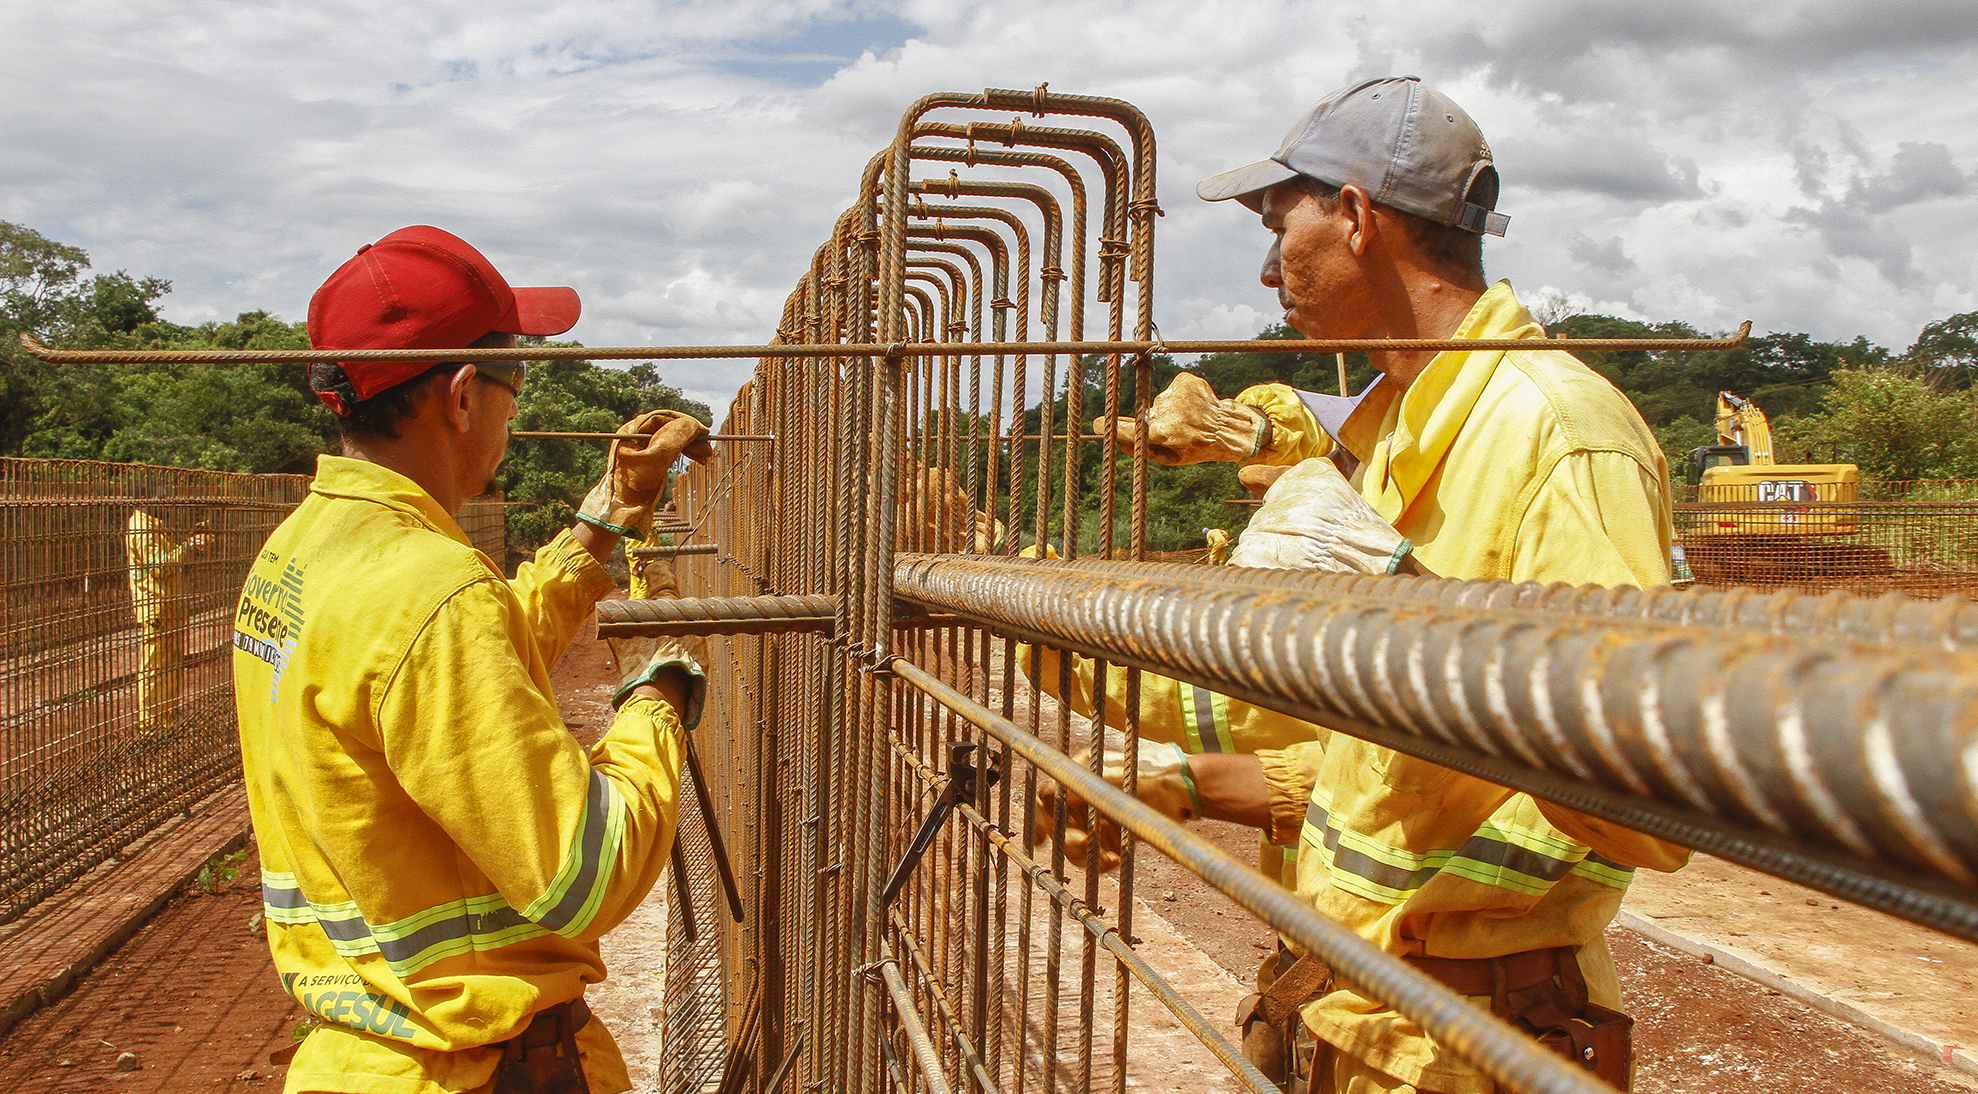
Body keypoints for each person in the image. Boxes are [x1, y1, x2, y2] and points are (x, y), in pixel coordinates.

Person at [1029, 77, 1689, 1093]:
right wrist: (1035, 624)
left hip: (1467, 1032)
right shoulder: (1390, 434)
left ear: (1355, 215)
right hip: (1357, 1006)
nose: (1263, 270)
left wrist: (1409, 594)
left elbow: (1649, 793)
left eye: (1275, 222)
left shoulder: (1558, 434)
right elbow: (1348, 748)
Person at [232, 225, 714, 1094]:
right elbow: (586, 873)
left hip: (365, 1057)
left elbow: (459, 664)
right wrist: (657, 707)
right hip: (482, 1069)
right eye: (512, 383)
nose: (515, 410)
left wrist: (606, 518)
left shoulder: (303, 552)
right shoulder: (431, 587)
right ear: (460, 395)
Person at [126, 481, 211, 727]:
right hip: (155, 606)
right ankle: (150, 725)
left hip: (170, 605)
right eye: (159, 496)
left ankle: (167, 719)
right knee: (155, 667)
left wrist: (189, 546)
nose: (164, 501)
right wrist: (189, 546)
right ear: (145, 498)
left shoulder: (155, 525)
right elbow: (159, 567)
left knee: (172, 665)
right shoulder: (141, 527)